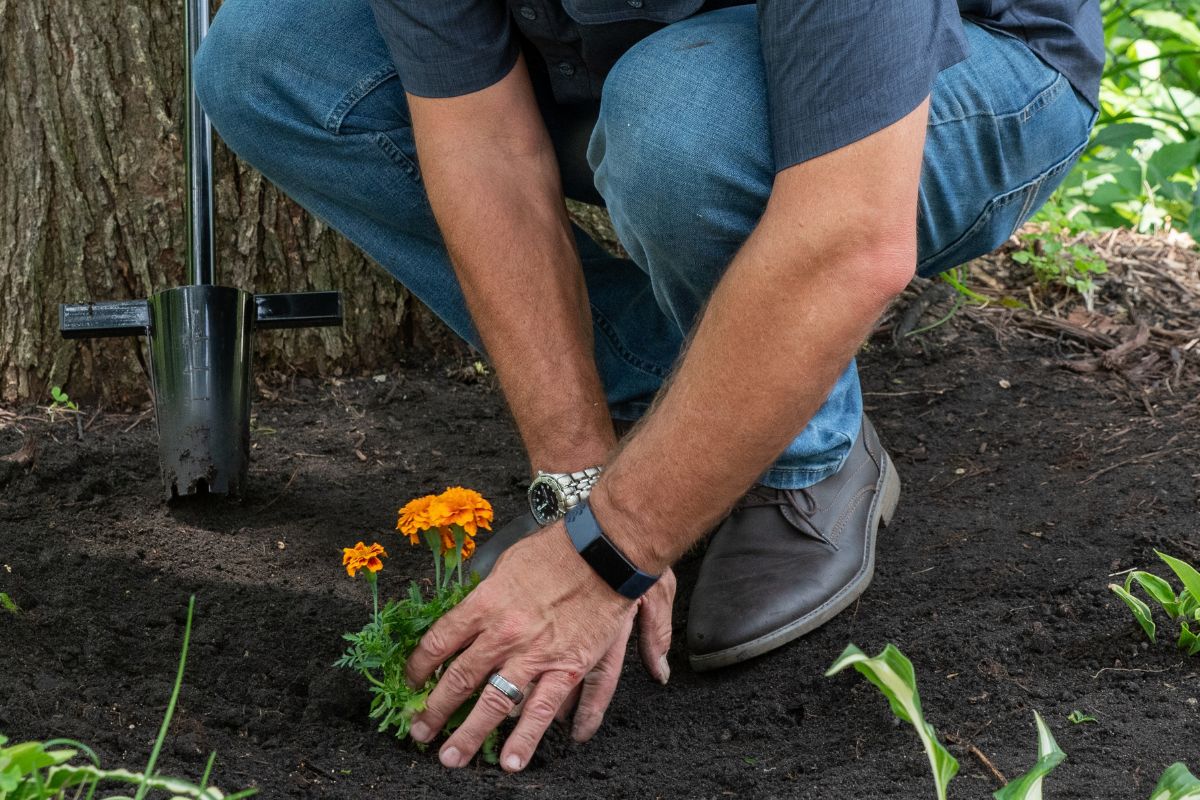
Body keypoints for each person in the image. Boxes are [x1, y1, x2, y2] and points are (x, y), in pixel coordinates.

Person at [194, 0, 1103, 774]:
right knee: (273, 56)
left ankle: (804, 457)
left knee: (680, 122)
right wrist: (581, 489)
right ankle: (683, 401)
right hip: (622, 71)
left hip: (963, 77)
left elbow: (851, 233)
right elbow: (483, 147)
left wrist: (606, 557)